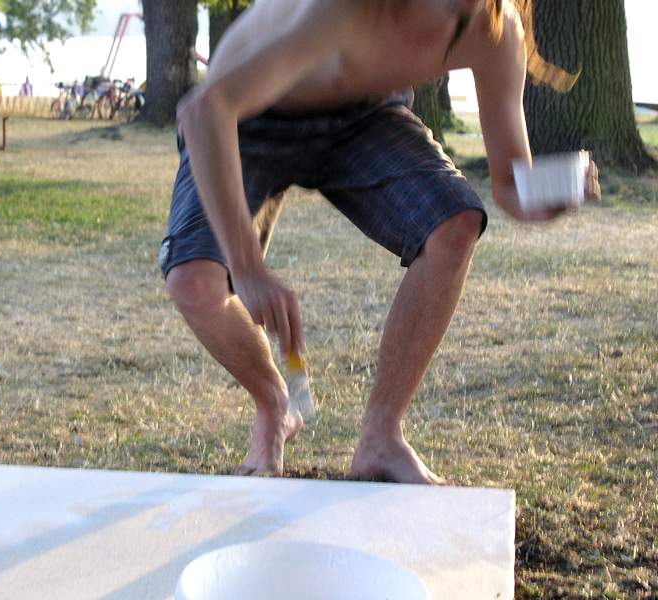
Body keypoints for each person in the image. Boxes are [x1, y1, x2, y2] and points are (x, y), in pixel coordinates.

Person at [160, 0, 601, 483]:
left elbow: (510, 184)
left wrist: (546, 194)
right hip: (245, 115)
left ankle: (381, 438)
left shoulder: (494, 28)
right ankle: (274, 404)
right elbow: (205, 110)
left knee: (455, 224)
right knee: (195, 282)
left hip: (363, 115)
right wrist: (246, 266)